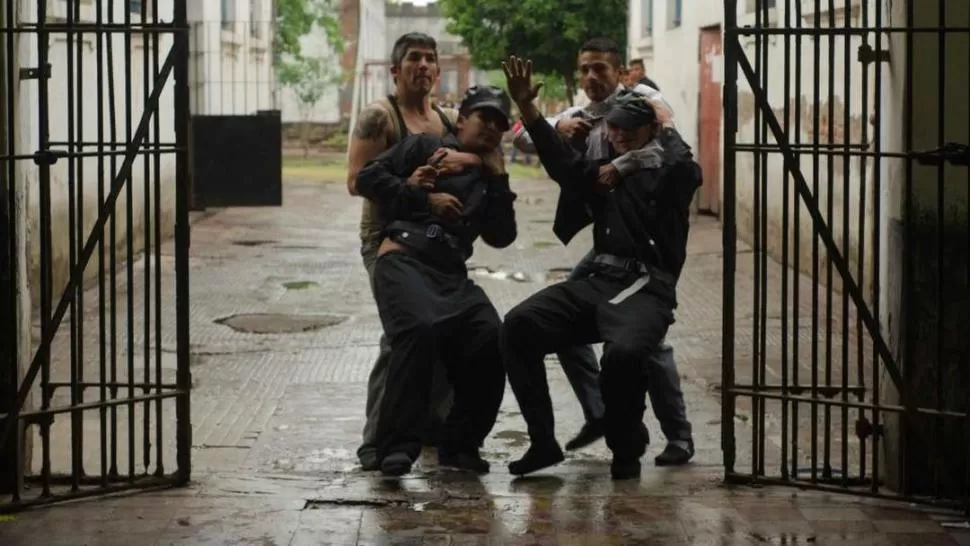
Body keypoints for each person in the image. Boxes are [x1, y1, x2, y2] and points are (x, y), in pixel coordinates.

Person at [500, 55, 702, 480]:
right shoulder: (599, 173)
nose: (620, 135)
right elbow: (559, 161)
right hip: (600, 282)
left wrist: (664, 125)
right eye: (614, 127)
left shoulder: (668, 175)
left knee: (625, 356)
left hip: (647, 290)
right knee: (519, 324)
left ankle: (627, 447)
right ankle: (543, 441)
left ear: (650, 131)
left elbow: (686, 166)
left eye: (631, 128)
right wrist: (529, 109)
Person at [346, 32, 504, 471]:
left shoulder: (444, 118)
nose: (423, 65)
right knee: (403, 336)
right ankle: (377, 441)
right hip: (385, 237)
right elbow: (357, 180)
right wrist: (421, 198)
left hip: (438, 247)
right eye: (413, 58)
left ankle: (440, 430)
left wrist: (477, 163)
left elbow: (482, 139)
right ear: (396, 70)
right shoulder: (381, 116)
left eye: (429, 59)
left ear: (438, 70)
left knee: (452, 333)